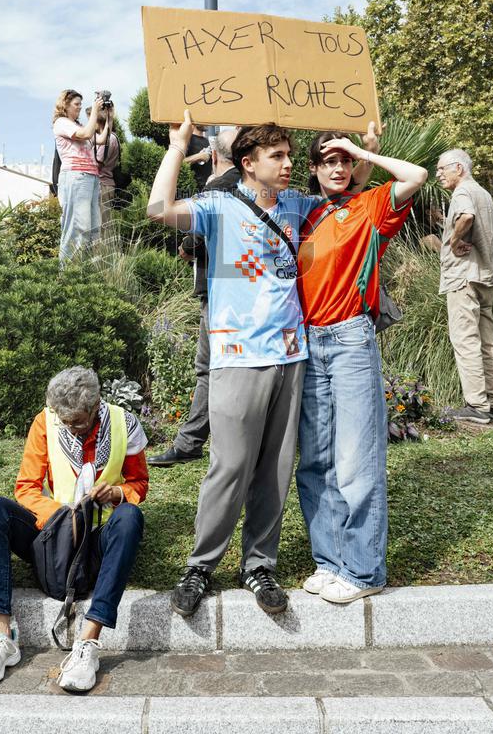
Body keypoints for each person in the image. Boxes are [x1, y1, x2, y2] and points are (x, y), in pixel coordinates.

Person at [147, 112, 329, 617]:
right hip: (238, 355)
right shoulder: (220, 206)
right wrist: (178, 147)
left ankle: (259, 565)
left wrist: (362, 148)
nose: (289, 164)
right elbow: (158, 208)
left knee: (274, 468)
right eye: (278, 156)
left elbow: (346, 189)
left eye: (291, 155)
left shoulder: (297, 206)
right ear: (248, 163)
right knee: (230, 465)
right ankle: (201, 565)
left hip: (291, 354)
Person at [296, 133, 427, 604]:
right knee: (316, 460)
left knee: (356, 460)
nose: (337, 168)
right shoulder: (304, 213)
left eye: (344, 161)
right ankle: (330, 562)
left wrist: (365, 152)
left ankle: (365, 570)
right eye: (328, 161)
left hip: (351, 339)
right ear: (313, 168)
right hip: (309, 343)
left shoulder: (371, 206)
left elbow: (416, 175)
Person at [0, 366, 147, 693]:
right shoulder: (45, 421)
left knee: (131, 517)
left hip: (99, 540)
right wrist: (61, 516)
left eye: (77, 420)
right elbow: (26, 488)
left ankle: (88, 643)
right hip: (52, 536)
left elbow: (139, 483)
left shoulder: (125, 423)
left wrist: (118, 494)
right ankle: (1, 638)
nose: (70, 427)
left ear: (96, 407)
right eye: (63, 419)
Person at [149, 129, 239, 468]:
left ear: (213, 157)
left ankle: (192, 441)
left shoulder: (218, 187)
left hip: (219, 287)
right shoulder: (255, 187)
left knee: (210, 368)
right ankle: (193, 439)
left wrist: (187, 248)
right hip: (232, 284)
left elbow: (193, 234)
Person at [430, 150, 493, 423]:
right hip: (486, 274)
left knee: (465, 340)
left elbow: (466, 217)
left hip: (464, 277)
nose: (438, 174)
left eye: (441, 169)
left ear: (458, 168)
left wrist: (452, 240)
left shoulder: (462, 193)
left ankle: (477, 406)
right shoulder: (483, 192)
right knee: (488, 341)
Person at [52, 90, 107, 262]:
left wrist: (108, 119)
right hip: (77, 176)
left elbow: (101, 139)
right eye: (76, 104)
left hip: (91, 178)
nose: (79, 108)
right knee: (78, 227)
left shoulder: (78, 124)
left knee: (93, 228)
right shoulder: (61, 123)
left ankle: (85, 272)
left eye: (80, 105)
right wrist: (95, 112)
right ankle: (67, 274)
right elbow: (86, 134)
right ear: (65, 105)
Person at [93, 102, 119, 233]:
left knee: (102, 225)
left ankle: (102, 253)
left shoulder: (108, 139)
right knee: (104, 223)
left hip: (103, 184)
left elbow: (98, 162)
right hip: (107, 183)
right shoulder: (112, 137)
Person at [184, 123, 213, 191]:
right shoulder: (187, 140)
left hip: (206, 187)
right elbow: (177, 164)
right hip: (191, 189)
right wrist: (198, 157)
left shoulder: (207, 141)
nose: (207, 122)